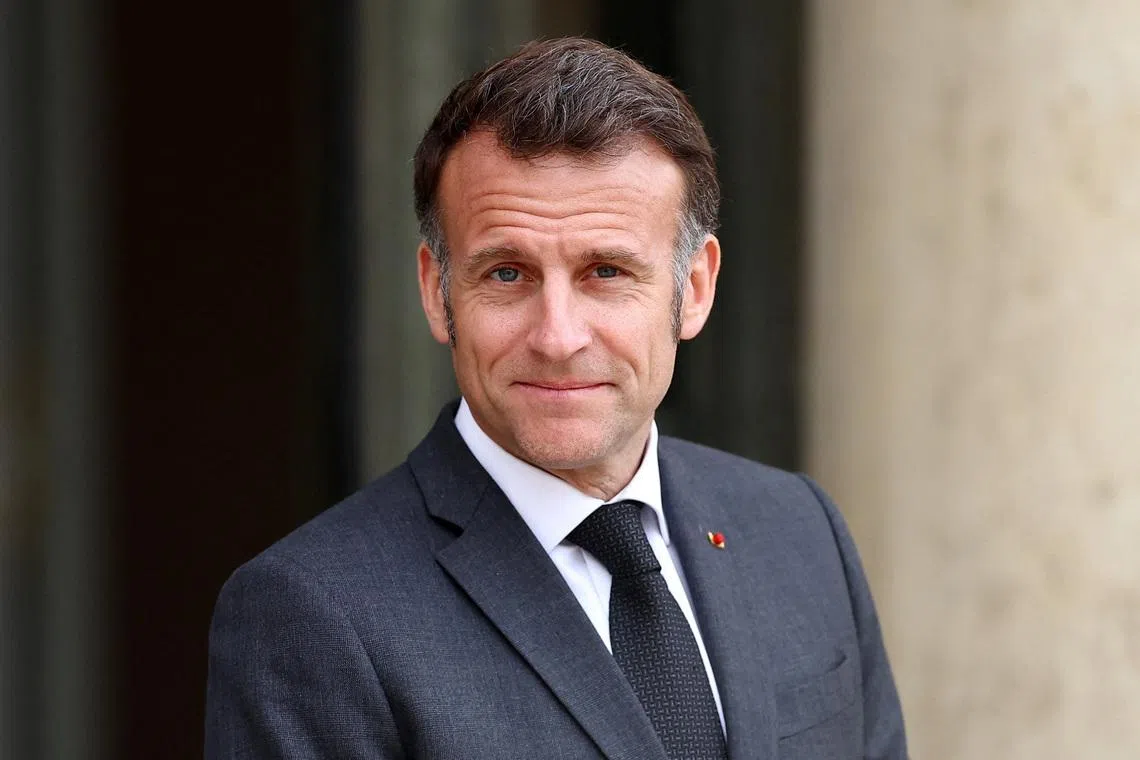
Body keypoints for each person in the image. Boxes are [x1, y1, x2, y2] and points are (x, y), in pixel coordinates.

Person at [205, 37, 908, 760]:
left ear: (693, 289)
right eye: (507, 274)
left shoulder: (800, 532)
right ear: (436, 293)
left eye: (605, 271)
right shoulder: (313, 614)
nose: (558, 336)